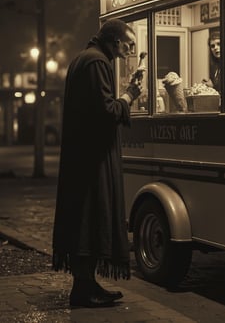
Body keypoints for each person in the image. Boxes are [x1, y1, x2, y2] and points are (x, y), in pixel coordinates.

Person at [52, 18, 143, 308]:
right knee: (92, 219)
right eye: (128, 45)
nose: (130, 50)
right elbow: (105, 111)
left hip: (82, 157)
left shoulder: (83, 59)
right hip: (92, 160)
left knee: (85, 221)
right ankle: (83, 290)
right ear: (115, 42)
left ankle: (87, 285)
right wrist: (130, 95)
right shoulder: (97, 63)